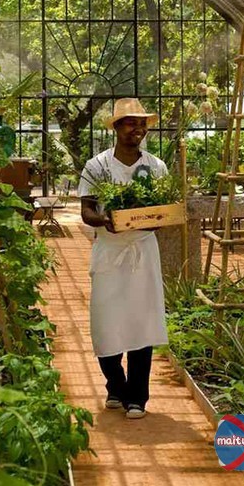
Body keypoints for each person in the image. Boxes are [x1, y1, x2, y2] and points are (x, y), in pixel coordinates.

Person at [78, 98, 169, 420]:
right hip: (110, 251)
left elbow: (161, 211)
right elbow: (86, 210)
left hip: (143, 251)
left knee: (141, 322)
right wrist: (105, 221)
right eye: (131, 123)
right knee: (106, 322)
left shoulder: (156, 167)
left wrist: (151, 219)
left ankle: (137, 397)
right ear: (116, 127)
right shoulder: (98, 166)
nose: (138, 129)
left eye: (142, 123)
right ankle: (115, 384)